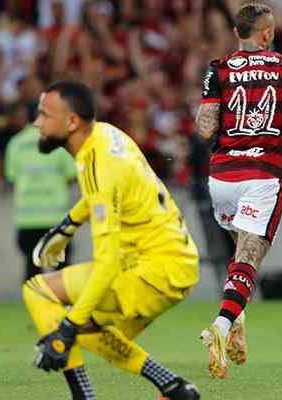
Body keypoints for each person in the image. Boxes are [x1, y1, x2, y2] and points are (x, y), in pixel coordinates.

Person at [23, 81, 201, 400]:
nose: (37, 122)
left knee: (49, 300)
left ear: (72, 121)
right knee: (87, 327)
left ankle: (85, 396)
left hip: (151, 269)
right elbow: (106, 192)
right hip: (176, 261)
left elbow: (106, 264)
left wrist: (64, 332)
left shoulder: (97, 163)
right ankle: (173, 388)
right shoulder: (107, 134)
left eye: (44, 114)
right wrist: (68, 225)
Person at [195, 3, 282, 379]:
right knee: (249, 260)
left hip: (222, 179)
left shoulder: (218, 68)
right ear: (267, 32)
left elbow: (205, 128)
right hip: (262, 175)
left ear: (237, 32)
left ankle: (237, 320)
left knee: (239, 255)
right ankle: (221, 327)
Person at [4, 120, 76, 281]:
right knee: (62, 269)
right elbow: (71, 174)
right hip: (56, 218)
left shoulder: (16, 143)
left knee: (32, 267)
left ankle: (35, 304)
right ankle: (64, 304)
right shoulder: (59, 142)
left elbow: (11, 176)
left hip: (27, 217)